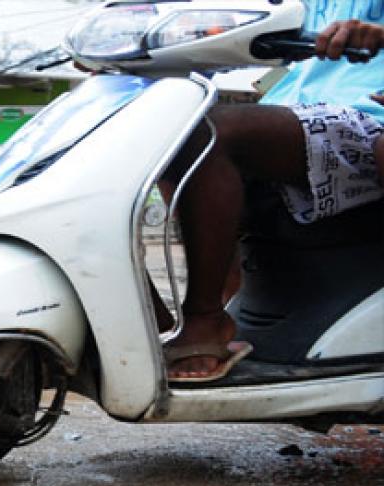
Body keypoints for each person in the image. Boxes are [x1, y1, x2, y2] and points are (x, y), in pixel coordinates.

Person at [159, 8, 383, 383]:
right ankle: (200, 311)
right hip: (293, 102)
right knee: (167, 133)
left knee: (208, 136)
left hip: (368, 111)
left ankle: (206, 319)